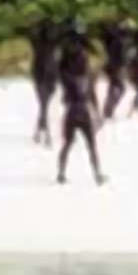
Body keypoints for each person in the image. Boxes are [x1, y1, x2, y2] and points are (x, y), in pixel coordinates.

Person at [57, 22, 107, 185]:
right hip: (84, 112)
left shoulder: (67, 78)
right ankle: (97, 174)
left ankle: (61, 173)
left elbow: (62, 79)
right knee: (92, 146)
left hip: (71, 111)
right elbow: (93, 97)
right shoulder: (89, 78)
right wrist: (98, 115)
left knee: (67, 144)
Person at [27, 17, 61, 146]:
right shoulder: (53, 42)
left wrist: (34, 25)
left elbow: (30, 33)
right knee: (44, 103)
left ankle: (41, 127)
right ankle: (43, 129)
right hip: (49, 72)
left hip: (41, 72)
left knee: (44, 103)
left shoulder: (37, 42)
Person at [99, 19, 130, 120]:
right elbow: (120, 57)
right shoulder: (120, 42)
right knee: (121, 88)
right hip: (116, 67)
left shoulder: (113, 40)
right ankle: (109, 109)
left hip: (111, 66)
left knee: (112, 87)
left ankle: (107, 110)